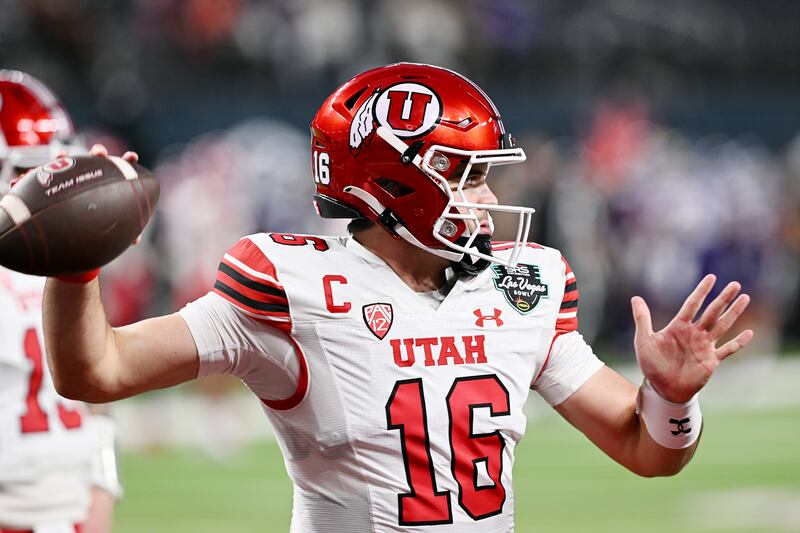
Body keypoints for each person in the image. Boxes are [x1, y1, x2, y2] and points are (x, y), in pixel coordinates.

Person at [43, 63, 752, 532]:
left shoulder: (523, 285)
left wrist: (670, 397)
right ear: (395, 182)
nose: (488, 198)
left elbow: (646, 449)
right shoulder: (290, 286)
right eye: (469, 177)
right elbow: (95, 370)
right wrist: (76, 267)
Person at [0, 70, 121, 533]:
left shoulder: (68, 260)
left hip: (71, 511)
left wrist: (102, 490)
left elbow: (96, 393)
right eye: (24, 172)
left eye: (50, 171)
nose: (41, 189)